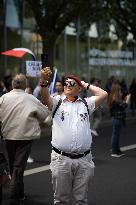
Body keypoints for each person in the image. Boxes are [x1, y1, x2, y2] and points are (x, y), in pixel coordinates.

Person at [40, 67, 108, 205]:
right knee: (61, 200)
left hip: (84, 160)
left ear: (79, 88)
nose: (68, 85)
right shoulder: (57, 101)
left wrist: (85, 84)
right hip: (61, 160)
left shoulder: (85, 103)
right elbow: (45, 97)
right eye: (66, 83)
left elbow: (103, 94)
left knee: (81, 200)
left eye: (72, 83)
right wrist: (43, 81)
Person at [0, 73, 50, 205]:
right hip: (25, 137)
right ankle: (14, 197)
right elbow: (45, 115)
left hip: (8, 136)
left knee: (13, 166)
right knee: (18, 166)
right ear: (25, 85)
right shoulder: (31, 99)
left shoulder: (3, 98)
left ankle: (19, 194)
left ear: (12, 84)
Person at [108, 83, 131, 158]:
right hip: (117, 118)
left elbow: (121, 105)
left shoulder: (114, 98)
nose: (121, 91)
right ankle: (114, 151)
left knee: (116, 135)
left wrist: (124, 99)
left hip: (117, 118)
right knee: (115, 135)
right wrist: (127, 99)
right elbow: (123, 106)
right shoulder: (115, 99)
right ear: (117, 90)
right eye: (120, 90)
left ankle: (117, 150)